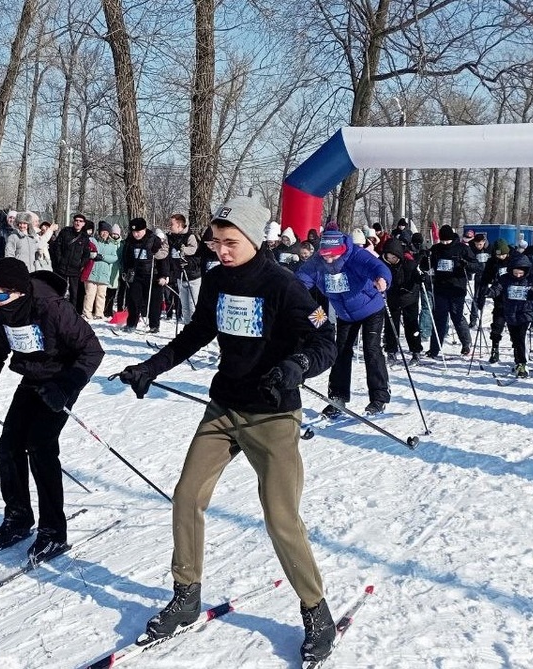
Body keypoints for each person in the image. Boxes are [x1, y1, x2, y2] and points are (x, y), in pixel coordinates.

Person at [116, 195, 338, 664]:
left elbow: (324, 339)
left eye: (230, 241)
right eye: (216, 241)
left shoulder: (285, 286)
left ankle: (317, 610)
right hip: (224, 409)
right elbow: (197, 331)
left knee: (280, 518)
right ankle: (186, 594)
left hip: (273, 415)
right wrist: (151, 367)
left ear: (254, 239)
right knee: (187, 495)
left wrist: (297, 366)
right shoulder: (216, 280)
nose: (221, 249)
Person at [0, 257, 104, 560]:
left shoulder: (53, 307)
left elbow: (93, 351)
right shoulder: (2, 312)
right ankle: (18, 518)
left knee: (40, 448)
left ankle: (53, 531)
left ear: (19, 292)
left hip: (62, 379)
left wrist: (65, 388)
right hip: (33, 378)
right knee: (8, 448)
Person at [297, 229, 393, 415]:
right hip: (345, 314)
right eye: (325, 255)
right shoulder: (317, 263)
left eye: (333, 255)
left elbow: (378, 268)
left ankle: (379, 396)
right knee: (340, 351)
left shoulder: (356, 255)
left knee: (371, 349)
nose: (329, 259)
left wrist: (382, 279)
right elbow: (300, 280)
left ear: (342, 249)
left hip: (371, 308)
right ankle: (337, 398)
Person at [488, 255, 533, 377]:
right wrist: (490, 292)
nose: (518, 275)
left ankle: (522, 364)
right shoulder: (505, 278)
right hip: (510, 312)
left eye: (520, 273)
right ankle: (518, 361)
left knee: (520, 337)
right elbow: (497, 288)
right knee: (515, 339)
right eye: (515, 273)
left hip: (526, 312)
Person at [421, 224, 474, 358]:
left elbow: (476, 266)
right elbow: (426, 265)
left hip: (457, 289)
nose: (445, 243)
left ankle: (466, 344)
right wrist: (425, 257)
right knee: (439, 319)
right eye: (443, 240)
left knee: (457, 316)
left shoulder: (462, 249)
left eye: (447, 240)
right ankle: (434, 349)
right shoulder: (437, 249)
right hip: (440, 289)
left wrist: (466, 264)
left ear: (452, 238)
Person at [120, 218, 168, 333]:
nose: (136, 234)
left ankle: (154, 325)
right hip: (137, 275)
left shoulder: (154, 240)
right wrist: (126, 271)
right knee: (133, 300)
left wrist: (163, 275)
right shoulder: (130, 241)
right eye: (134, 232)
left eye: (138, 231)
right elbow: (126, 258)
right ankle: (131, 324)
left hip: (153, 275)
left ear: (145, 229)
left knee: (154, 302)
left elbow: (163, 259)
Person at [382, 238, 423, 364]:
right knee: (391, 325)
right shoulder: (382, 263)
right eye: (388, 257)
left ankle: (415, 350)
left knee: (411, 324)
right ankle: (391, 350)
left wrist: (421, 278)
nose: (391, 260)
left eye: (394, 257)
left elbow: (416, 275)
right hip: (392, 297)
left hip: (409, 296)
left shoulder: (408, 263)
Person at [166, 214, 202, 326]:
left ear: (180, 225)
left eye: (172, 224)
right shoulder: (171, 237)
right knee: (184, 307)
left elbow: (194, 250)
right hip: (179, 275)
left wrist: (183, 251)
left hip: (192, 276)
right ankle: (188, 332)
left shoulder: (190, 236)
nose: (169, 226)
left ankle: (196, 332)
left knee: (193, 306)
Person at [50, 213, 93, 307]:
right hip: (62, 267)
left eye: (80, 221)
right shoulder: (65, 232)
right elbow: (57, 246)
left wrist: (81, 264)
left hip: (75, 269)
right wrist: (59, 260)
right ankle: (57, 308)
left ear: (83, 224)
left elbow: (86, 253)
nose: (78, 223)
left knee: (74, 293)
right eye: (76, 220)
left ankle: (72, 312)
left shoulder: (84, 237)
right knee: (60, 290)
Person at [84, 221, 121, 319]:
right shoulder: (93, 241)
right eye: (102, 231)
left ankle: (99, 313)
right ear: (99, 232)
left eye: (106, 232)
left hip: (104, 274)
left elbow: (114, 258)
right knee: (90, 295)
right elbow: (87, 251)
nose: (104, 233)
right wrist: (91, 255)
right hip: (92, 273)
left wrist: (102, 257)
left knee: (101, 295)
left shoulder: (112, 245)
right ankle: (87, 312)